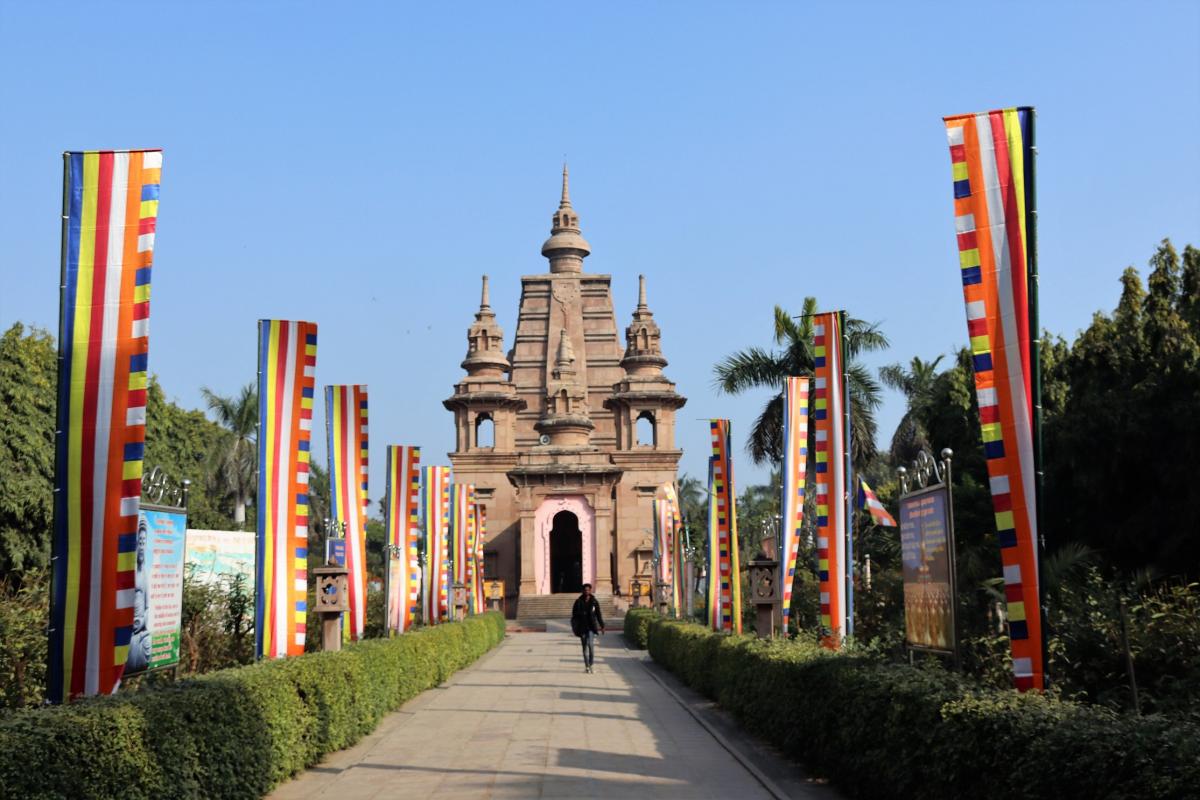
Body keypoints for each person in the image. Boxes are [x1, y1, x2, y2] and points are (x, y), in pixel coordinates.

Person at [570, 583, 605, 673]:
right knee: (584, 647)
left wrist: (602, 626)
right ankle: (587, 666)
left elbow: (598, 614)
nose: (587, 591)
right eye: (585, 590)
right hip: (582, 627)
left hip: (591, 627)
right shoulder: (578, 601)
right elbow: (574, 616)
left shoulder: (594, 601)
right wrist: (574, 627)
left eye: (588, 590)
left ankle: (591, 664)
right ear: (583, 591)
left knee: (591, 646)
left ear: (590, 591)